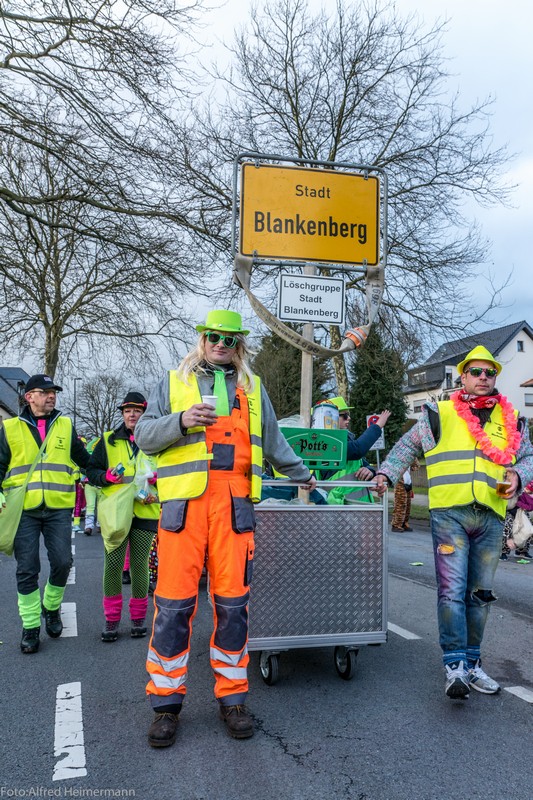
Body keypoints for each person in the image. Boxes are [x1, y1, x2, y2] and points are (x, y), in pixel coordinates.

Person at [135, 309, 317, 747]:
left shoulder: (252, 389)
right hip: (184, 510)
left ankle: (232, 698)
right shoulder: (173, 383)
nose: (221, 344)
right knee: (173, 606)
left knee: (233, 606)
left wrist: (303, 476)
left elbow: (274, 443)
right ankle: (165, 704)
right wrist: (181, 421)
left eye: (230, 338)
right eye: (214, 336)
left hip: (234, 510)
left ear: (239, 345)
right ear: (202, 339)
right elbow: (143, 436)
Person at [375, 346, 533, 699]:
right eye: (476, 372)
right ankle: (455, 666)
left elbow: (529, 458)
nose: (483, 378)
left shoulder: (512, 419)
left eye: (489, 372)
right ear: (463, 376)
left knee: (480, 595)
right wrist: (385, 473)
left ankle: (473, 664)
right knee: (451, 591)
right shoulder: (439, 412)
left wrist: (519, 476)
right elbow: (407, 447)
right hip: (449, 514)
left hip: (491, 516)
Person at [0, 374, 90, 654]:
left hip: (58, 507)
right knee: (27, 569)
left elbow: (84, 459)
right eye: (45, 392)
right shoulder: (10, 427)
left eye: (54, 392)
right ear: (29, 397)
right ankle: (30, 626)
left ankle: (50, 607)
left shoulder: (65, 424)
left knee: (63, 562)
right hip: (23, 509)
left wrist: (104, 474)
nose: (51, 396)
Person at [87, 392, 160, 642]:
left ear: (144, 413)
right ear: (122, 414)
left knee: (140, 566)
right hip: (116, 512)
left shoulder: (155, 440)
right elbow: (91, 470)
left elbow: (170, 470)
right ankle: (111, 620)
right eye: (127, 411)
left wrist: (158, 480)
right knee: (113, 565)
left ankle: (138, 619)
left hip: (145, 509)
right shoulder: (108, 440)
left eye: (137, 410)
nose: (132, 415)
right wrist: (105, 477)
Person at [315, 398, 390, 505]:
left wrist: (369, 470)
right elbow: (358, 449)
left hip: (359, 507)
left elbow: (362, 462)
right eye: (345, 415)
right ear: (329, 417)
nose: (349, 418)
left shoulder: (345, 441)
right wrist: (377, 426)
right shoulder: (326, 444)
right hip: (339, 508)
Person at [391, 459, 419, 531]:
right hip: (400, 483)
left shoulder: (409, 457)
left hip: (408, 483)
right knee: (400, 504)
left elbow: (415, 467)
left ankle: (404, 523)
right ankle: (396, 525)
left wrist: (414, 458)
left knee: (407, 505)